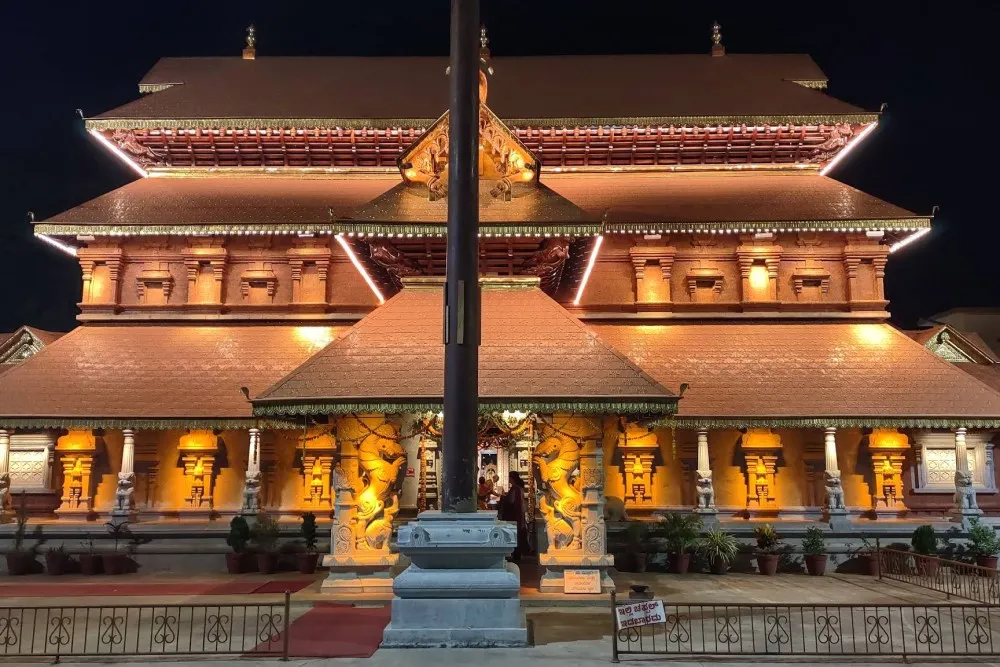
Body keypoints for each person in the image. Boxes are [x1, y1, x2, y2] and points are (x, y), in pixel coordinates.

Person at [498, 471, 529, 562]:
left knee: (514, 533)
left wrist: (504, 498)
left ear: (512, 478)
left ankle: (516, 554)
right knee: (518, 533)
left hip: (514, 514)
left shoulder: (515, 489)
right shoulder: (520, 488)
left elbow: (511, 501)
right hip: (519, 513)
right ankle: (517, 554)